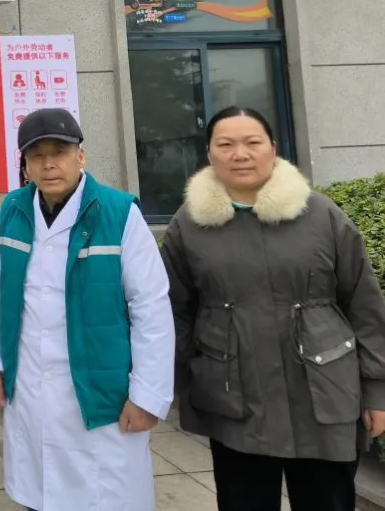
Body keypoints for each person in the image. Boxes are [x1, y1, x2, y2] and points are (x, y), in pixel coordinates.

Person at [161, 106, 385, 511]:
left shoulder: (321, 215)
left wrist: (377, 391)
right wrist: (174, 382)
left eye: (252, 142)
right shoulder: (189, 225)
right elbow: (175, 310)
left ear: (273, 148)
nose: (240, 154)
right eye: (225, 144)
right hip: (234, 399)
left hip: (324, 394)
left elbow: (364, 304)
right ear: (209, 154)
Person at [0, 108, 175, 511]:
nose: (49, 164)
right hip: (30, 385)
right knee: (40, 495)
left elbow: (150, 309)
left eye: (59, 152)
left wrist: (148, 395)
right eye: (37, 155)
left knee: (103, 499)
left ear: (80, 156)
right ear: (25, 165)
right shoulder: (12, 211)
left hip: (102, 392)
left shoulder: (119, 213)